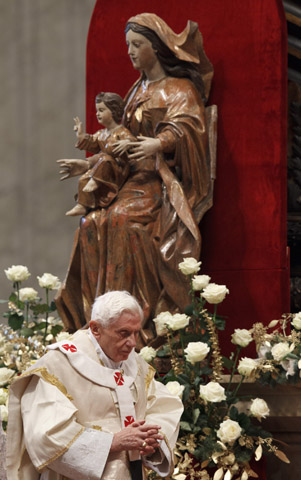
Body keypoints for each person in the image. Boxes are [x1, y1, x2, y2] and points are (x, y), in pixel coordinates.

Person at [55, 13, 216, 340]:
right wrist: (86, 166)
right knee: (90, 225)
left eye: (137, 44)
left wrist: (159, 143)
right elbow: (117, 139)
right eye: (128, 44)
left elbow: (190, 128)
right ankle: (96, 323)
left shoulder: (179, 89)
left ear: (155, 48)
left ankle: (136, 323)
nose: (129, 51)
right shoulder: (135, 91)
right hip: (126, 179)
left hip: (157, 181)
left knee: (122, 221)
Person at [6, 291, 183, 480]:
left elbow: (160, 405)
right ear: (96, 328)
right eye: (124, 333)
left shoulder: (134, 363)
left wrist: (150, 439)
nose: (132, 342)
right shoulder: (56, 366)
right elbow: (45, 435)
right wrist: (112, 442)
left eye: (136, 332)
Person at [59, 92, 136, 216]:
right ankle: (82, 205)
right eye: (96, 110)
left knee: (105, 158)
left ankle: (95, 181)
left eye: (101, 110)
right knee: (83, 179)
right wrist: (81, 136)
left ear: (114, 111)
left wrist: (127, 143)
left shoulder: (121, 131)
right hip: (101, 169)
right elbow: (93, 142)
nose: (97, 114)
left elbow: (133, 141)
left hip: (117, 170)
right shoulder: (101, 133)